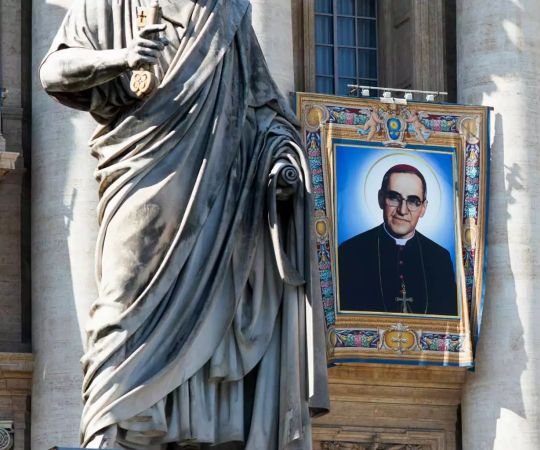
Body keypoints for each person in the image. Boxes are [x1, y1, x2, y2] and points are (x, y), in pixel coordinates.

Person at [39, 0, 328, 448]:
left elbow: (261, 107)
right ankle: (109, 426)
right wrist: (123, 57)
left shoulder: (225, 10)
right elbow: (53, 71)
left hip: (218, 195)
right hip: (141, 180)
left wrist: (281, 159)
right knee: (120, 311)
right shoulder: (111, 4)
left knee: (211, 313)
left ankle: (189, 430)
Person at [338, 164, 458, 315]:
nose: (402, 210)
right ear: (381, 199)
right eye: (394, 198)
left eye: (413, 201)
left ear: (423, 208)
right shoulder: (350, 252)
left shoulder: (439, 258)